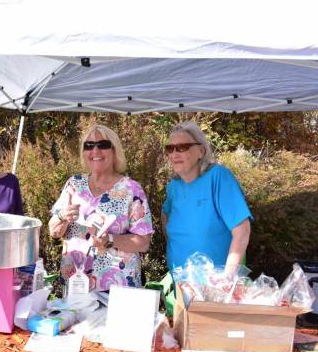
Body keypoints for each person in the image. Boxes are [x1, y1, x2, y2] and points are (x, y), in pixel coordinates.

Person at [49, 123, 153, 291]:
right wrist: (62, 217)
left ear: (115, 151)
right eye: (89, 146)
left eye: (103, 145)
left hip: (118, 290)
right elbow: (54, 231)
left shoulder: (131, 189)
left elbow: (143, 242)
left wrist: (109, 240)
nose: (95, 151)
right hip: (76, 285)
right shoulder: (74, 184)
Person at [162, 121, 253, 271]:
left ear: (201, 151)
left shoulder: (218, 177)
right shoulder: (174, 186)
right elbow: (165, 213)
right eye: (170, 148)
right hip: (180, 283)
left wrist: (227, 277)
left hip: (215, 285)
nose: (174, 154)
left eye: (182, 147)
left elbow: (242, 231)